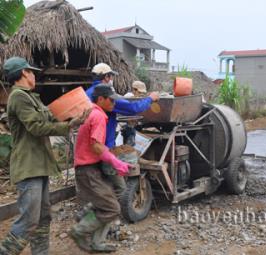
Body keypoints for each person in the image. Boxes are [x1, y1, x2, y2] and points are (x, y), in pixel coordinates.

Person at [0, 57, 87, 255]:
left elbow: (50, 117)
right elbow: (37, 127)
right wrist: (70, 125)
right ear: (23, 73)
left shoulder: (31, 97)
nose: (33, 74)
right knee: (29, 220)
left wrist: (73, 116)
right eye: (31, 72)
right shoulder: (18, 97)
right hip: (28, 166)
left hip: (39, 165)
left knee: (42, 217)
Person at [69, 84, 131, 253]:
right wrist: (115, 161)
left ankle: (96, 241)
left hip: (89, 167)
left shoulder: (90, 111)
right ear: (101, 99)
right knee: (112, 208)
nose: (114, 103)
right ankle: (80, 230)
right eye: (111, 100)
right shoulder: (98, 116)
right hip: (88, 169)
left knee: (104, 205)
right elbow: (96, 146)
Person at [86, 63, 159, 198]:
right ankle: (114, 210)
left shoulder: (87, 93)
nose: (111, 79)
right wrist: (150, 98)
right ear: (107, 77)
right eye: (111, 76)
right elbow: (133, 108)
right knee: (119, 187)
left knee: (98, 184)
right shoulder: (106, 95)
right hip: (103, 146)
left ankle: (100, 208)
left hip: (88, 147)